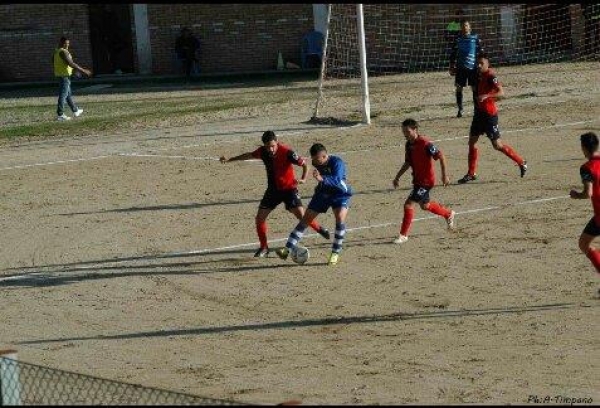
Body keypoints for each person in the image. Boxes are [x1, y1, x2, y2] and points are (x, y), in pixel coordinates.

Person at [220, 131, 330, 258]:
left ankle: (320, 229)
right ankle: (264, 247)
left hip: (289, 190)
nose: (271, 149)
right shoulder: (262, 151)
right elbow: (248, 155)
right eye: (268, 147)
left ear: (276, 142)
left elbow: (305, 165)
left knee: (302, 216)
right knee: (260, 218)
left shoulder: (287, 152)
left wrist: (304, 179)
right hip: (272, 191)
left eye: (273, 146)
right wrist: (230, 159)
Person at [276, 143, 352, 266]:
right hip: (323, 193)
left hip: (340, 193)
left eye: (316, 158)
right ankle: (287, 249)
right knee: (306, 219)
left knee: (339, 219)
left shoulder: (337, 162)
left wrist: (322, 179)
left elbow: (338, 180)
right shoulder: (317, 162)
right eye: (313, 159)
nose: (314, 161)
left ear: (324, 156)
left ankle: (335, 253)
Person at [457, 53, 528, 184]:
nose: (478, 65)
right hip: (478, 114)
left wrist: (487, 96)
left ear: (487, 64)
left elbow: (501, 92)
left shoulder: (491, 76)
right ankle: (471, 173)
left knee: (497, 145)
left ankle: (521, 162)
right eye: (477, 63)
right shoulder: (478, 74)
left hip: (489, 116)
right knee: (472, 142)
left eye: (481, 63)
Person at [392, 118, 455, 244]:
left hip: (425, 182)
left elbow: (440, 156)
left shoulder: (425, 143)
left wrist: (444, 175)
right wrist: (397, 177)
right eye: (403, 132)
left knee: (408, 204)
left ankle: (403, 235)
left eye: (407, 132)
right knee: (425, 206)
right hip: (417, 180)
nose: (405, 135)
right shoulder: (409, 145)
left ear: (415, 130)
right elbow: (408, 162)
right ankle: (448, 214)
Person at [570, 132, 600, 276]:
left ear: (584, 148)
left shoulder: (587, 168)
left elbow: (588, 193)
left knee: (584, 244)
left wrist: (576, 195)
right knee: (584, 242)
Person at [449, 20, 483, 118]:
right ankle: (460, 109)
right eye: (462, 26)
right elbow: (453, 53)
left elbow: (481, 51)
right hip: (460, 67)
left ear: (469, 27)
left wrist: (481, 63)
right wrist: (451, 66)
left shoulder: (475, 38)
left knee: (474, 88)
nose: (464, 27)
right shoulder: (458, 39)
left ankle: (477, 109)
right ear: (460, 28)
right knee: (459, 88)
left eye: (466, 25)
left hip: (473, 68)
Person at [53, 37, 92, 121]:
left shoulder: (56, 52)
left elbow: (58, 63)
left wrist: (73, 71)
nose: (67, 45)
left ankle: (76, 111)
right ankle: (60, 115)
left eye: (68, 43)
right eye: (65, 43)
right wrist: (83, 70)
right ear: (61, 43)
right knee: (63, 95)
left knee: (68, 95)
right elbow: (71, 63)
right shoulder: (63, 52)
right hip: (64, 77)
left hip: (61, 75)